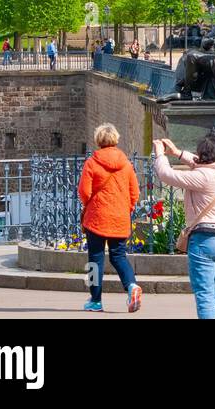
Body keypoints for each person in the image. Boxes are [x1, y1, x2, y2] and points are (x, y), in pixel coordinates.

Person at [153, 135, 215, 319]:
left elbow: (166, 175)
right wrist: (177, 152)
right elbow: (198, 164)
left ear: (204, 156)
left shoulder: (202, 176)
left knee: (205, 296)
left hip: (207, 239)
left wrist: (160, 155)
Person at [77, 123, 143, 313]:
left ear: (98, 141)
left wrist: (89, 204)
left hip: (96, 217)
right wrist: (125, 208)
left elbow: (84, 192)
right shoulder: (127, 164)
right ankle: (131, 286)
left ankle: (95, 300)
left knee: (94, 260)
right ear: (116, 139)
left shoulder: (91, 163)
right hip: (120, 217)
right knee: (119, 256)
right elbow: (134, 193)